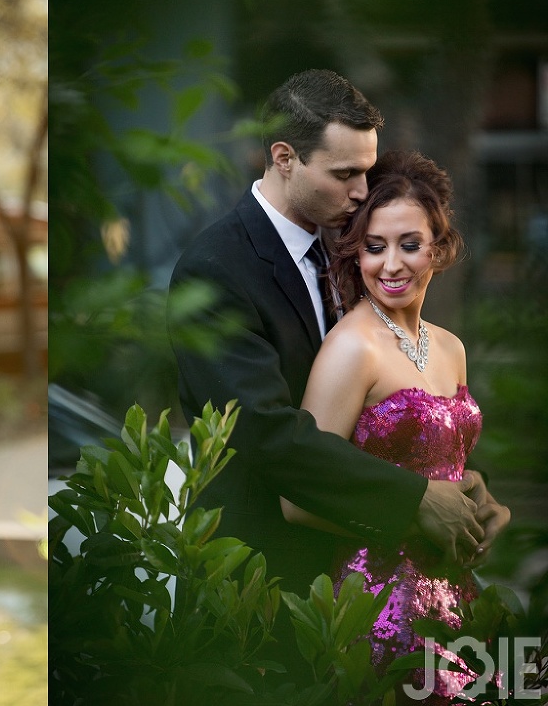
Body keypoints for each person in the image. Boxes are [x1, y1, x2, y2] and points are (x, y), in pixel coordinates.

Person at [168, 69, 507, 596]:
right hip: (259, 583)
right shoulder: (216, 270)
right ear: (285, 158)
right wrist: (416, 498)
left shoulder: (353, 245)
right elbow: (264, 433)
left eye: (367, 172)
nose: (361, 191)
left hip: (359, 573)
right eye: (345, 173)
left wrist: (451, 480)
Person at [282, 150, 510, 701]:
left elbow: (442, 461)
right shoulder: (350, 349)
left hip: (456, 591)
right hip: (380, 603)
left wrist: (478, 502)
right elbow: (298, 497)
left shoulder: (450, 348)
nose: (391, 266)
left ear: (439, 244)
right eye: (374, 247)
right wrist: (418, 518)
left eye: (409, 244)